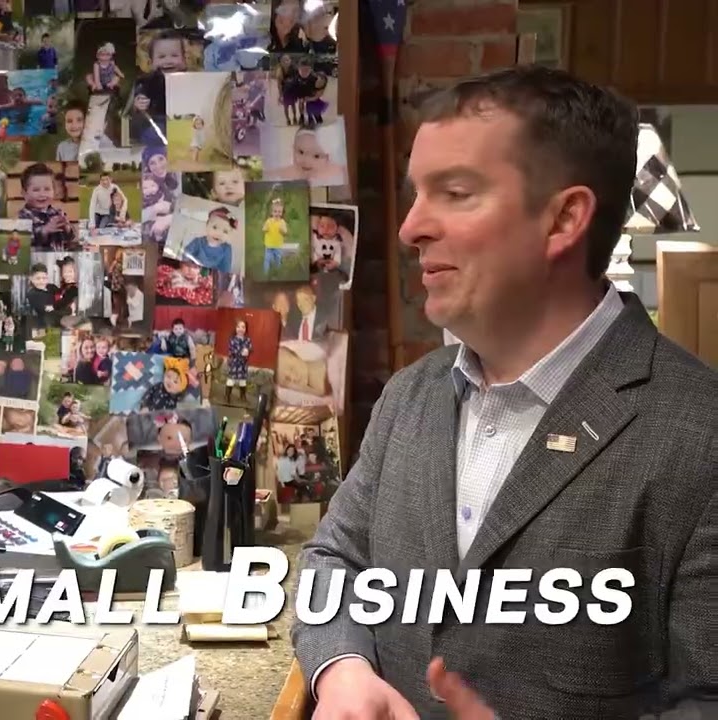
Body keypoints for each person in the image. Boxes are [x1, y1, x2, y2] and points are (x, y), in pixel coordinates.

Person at [293, 66, 716, 720]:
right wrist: (342, 669)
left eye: (455, 192)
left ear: (564, 218)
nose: (410, 228)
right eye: (416, 194)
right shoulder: (408, 398)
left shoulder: (700, 435)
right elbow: (335, 559)